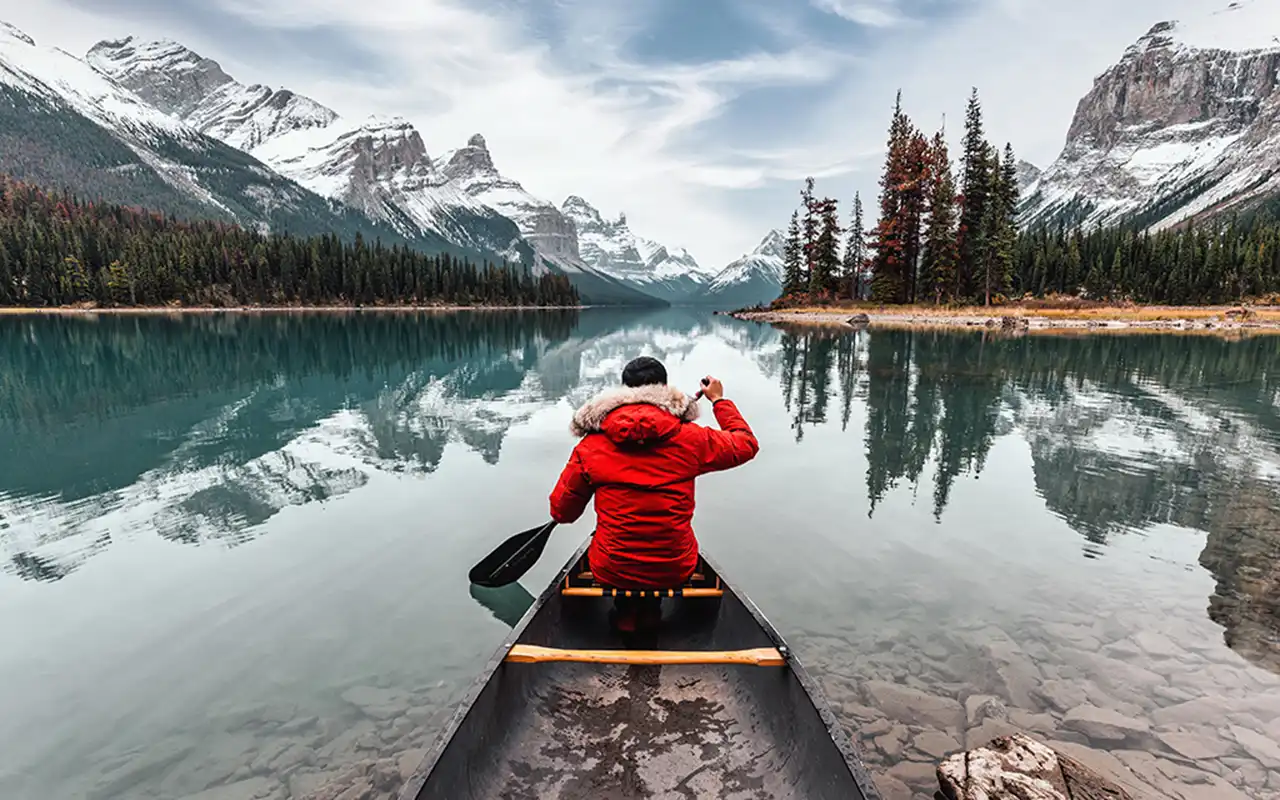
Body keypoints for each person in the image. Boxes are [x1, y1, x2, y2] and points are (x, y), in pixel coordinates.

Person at [548, 356, 759, 631]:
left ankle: (626, 617)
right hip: (675, 565)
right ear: (664, 388)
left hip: (611, 567)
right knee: (664, 570)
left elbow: (562, 513)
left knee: (613, 563)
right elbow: (746, 444)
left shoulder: (590, 447)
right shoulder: (691, 439)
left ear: (624, 392)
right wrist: (719, 401)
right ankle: (650, 615)